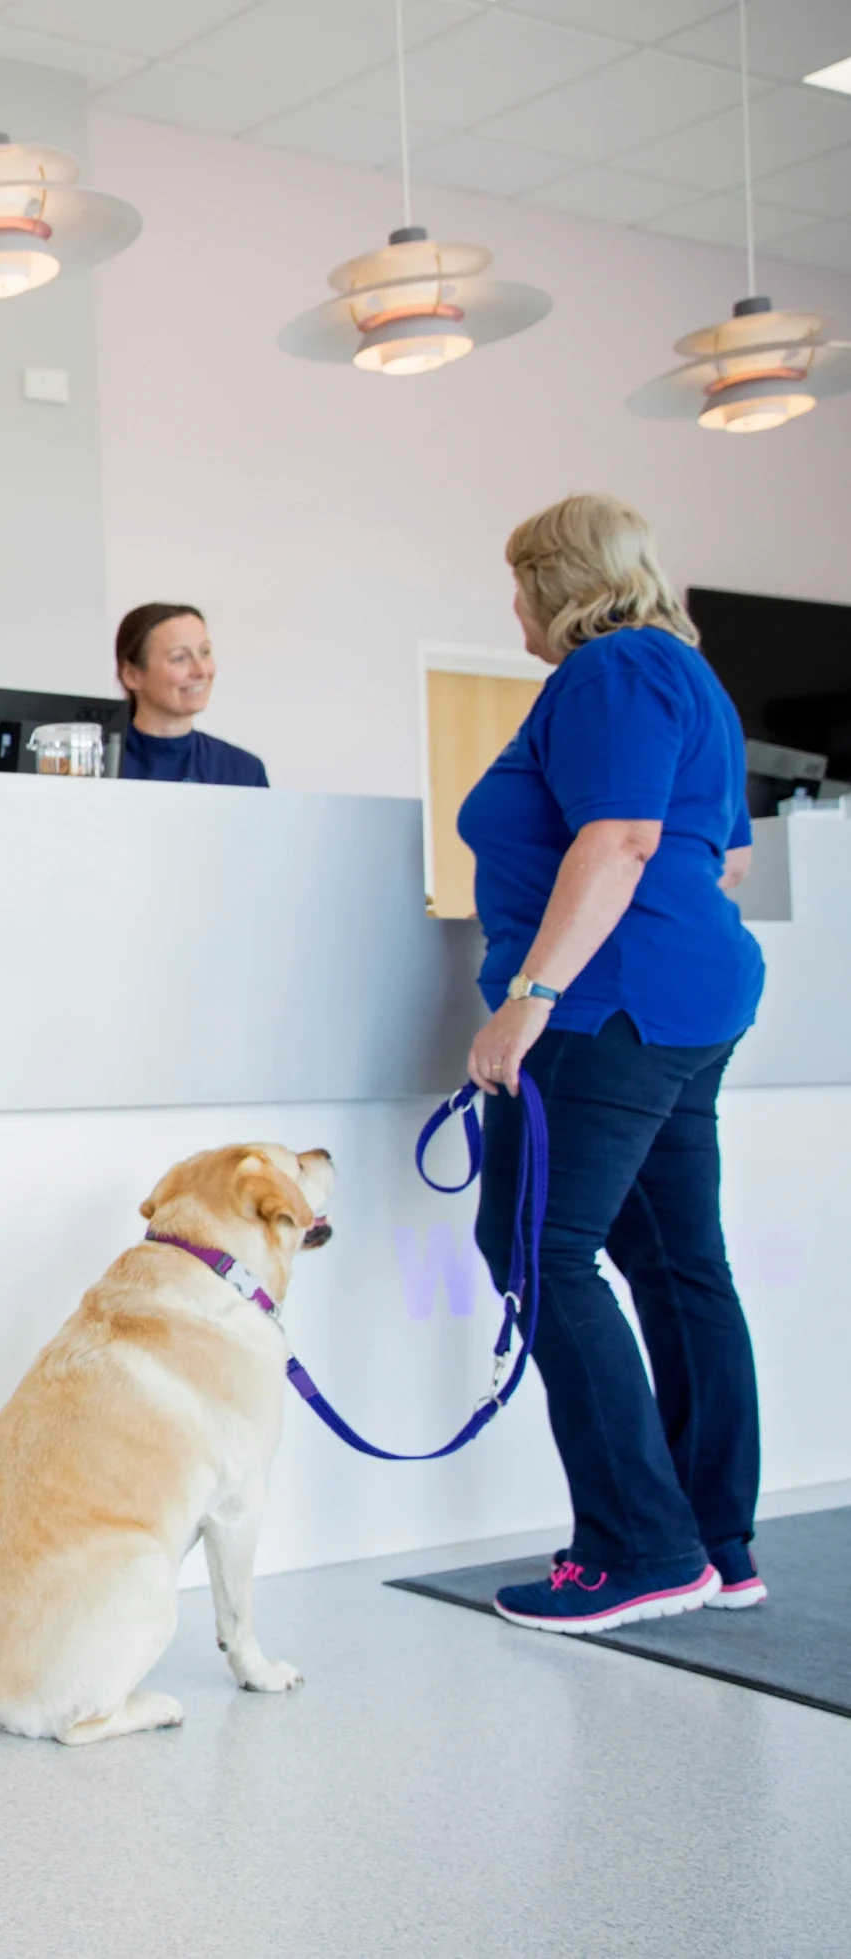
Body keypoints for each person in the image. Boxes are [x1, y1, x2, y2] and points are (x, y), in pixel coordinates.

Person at [457, 493, 767, 1635]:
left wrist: (529, 999)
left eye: (518, 580)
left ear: (555, 581)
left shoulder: (605, 673)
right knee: (676, 1260)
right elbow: (718, 861)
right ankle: (709, 1542)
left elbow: (621, 838)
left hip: (608, 1005)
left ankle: (637, 1548)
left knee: (535, 1245)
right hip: (688, 998)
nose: (511, 605)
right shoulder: (689, 676)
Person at [113, 602, 269, 786]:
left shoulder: (244, 770)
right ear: (131, 675)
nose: (201, 671)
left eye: (205, 652)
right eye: (179, 658)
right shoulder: (92, 765)